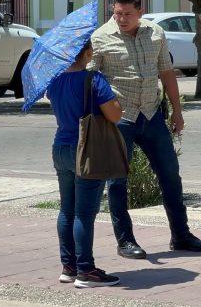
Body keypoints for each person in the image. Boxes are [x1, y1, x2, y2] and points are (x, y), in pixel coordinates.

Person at [90, 0, 201, 259]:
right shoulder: (100, 38)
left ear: (140, 11)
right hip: (120, 117)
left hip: (152, 114)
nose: (122, 19)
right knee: (118, 181)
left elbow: (166, 73)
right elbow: (90, 79)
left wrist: (177, 112)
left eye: (128, 14)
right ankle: (125, 241)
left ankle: (181, 234)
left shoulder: (155, 33)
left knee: (170, 174)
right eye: (117, 13)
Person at [47, 40, 122, 288]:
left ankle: (68, 267)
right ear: (87, 53)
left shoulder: (54, 79)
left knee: (67, 210)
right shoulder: (93, 79)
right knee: (84, 213)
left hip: (61, 147)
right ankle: (86, 270)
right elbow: (114, 114)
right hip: (87, 149)